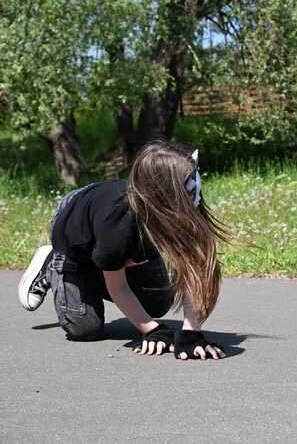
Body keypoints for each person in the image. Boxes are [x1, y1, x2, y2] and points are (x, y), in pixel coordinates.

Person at [17, 142, 230, 360]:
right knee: (85, 328)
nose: (195, 186)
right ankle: (51, 260)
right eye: (188, 182)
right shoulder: (117, 226)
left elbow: (196, 270)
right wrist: (152, 330)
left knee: (158, 303)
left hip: (122, 239)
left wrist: (191, 335)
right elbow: (118, 287)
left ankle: (108, 263)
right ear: (163, 191)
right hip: (76, 239)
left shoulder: (180, 204)